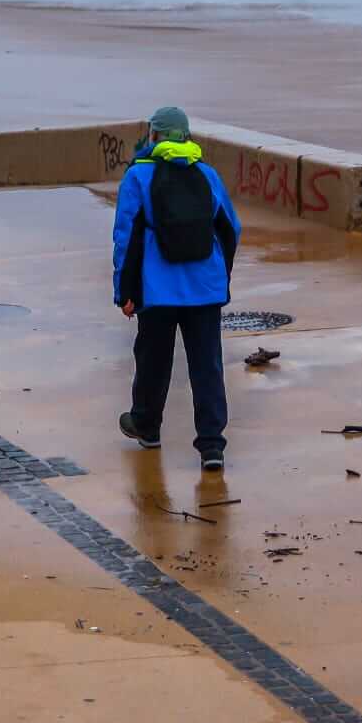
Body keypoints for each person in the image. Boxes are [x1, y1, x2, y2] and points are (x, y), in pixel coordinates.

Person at [112, 106, 242, 470]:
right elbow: (230, 229)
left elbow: (126, 237)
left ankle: (147, 426)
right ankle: (212, 446)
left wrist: (125, 291)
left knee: (153, 360)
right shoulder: (207, 174)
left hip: (158, 289)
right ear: (186, 136)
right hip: (205, 289)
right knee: (207, 365)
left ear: (153, 135)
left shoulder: (138, 176)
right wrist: (220, 276)